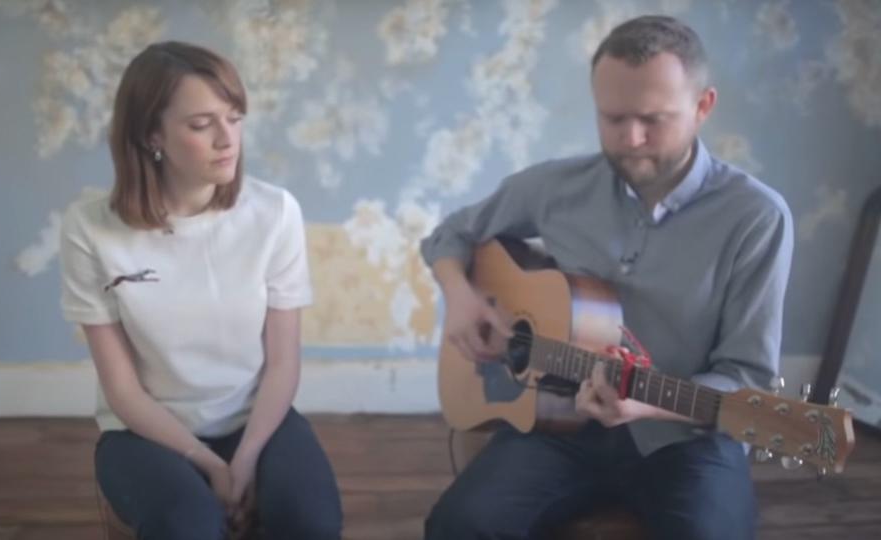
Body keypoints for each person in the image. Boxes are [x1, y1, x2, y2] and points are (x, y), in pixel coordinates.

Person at [421, 15, 793, 540]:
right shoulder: (555, 186)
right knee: (458, 526)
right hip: (557, 427)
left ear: (703, 106)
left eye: (652, 119)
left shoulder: (757, 217)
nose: (630, 139)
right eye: (612, 118)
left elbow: (749, 378)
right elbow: (450, 235)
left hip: (685, 438)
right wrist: (459, 297)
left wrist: (645, 402)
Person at [59, 41, 342, 540]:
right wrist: (208, 464)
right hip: (143, 434)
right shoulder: (90, 230)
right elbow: (122, 390)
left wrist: (248, 457)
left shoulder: (275, 213)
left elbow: (283, 362)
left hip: (255, 420)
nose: (226, 139)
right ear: (151, 135)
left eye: (234, 118)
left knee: (311, 524)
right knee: (188, 526)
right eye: (200, 124)